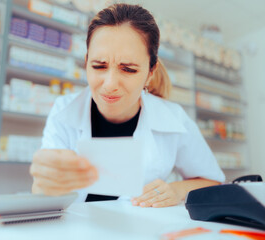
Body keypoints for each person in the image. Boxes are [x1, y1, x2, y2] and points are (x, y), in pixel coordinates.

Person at [30, 3, 225, 208]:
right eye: (99, 66)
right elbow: (42, 192)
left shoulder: (174, 118)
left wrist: (176, 190)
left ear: (150, 72)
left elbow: (213, 181)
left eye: (129, 69)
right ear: (86, 62)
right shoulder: (64, 110)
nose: (110, 84)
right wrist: (45, 182)